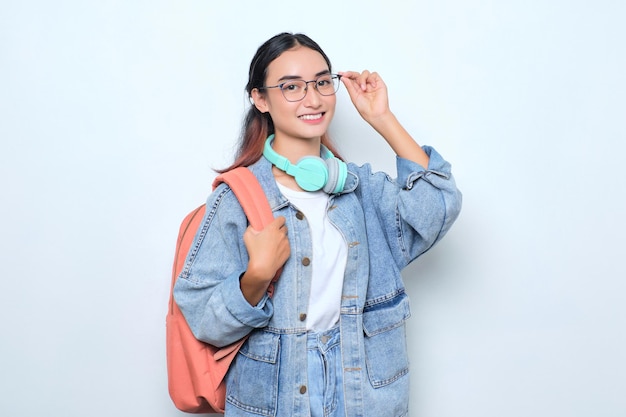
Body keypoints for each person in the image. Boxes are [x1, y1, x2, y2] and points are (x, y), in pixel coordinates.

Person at [174, 32, 462, 417]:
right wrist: (255, 278)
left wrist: (382, 119)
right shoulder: (237, 200)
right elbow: (202, 319)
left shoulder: (360, 192)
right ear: (260, 99)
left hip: (364, 397)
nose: (313, 99)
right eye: (291, 87)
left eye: (322, 82)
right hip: (274, 402)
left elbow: (438, 203)